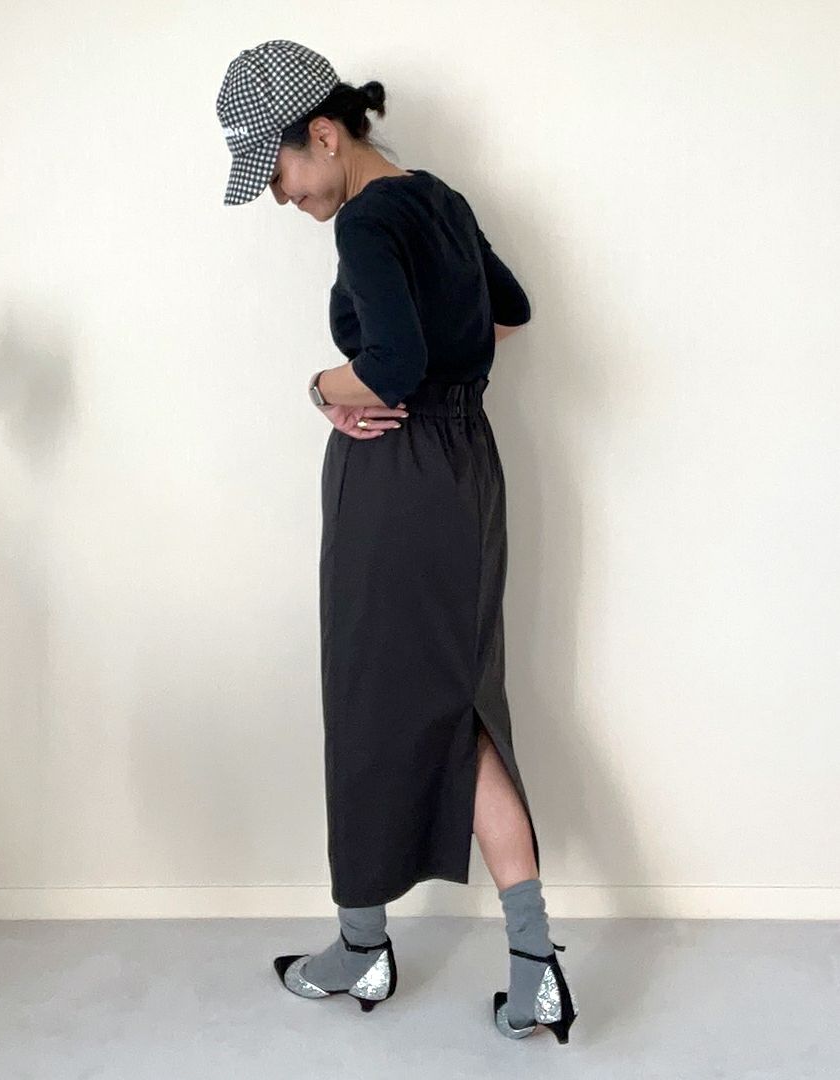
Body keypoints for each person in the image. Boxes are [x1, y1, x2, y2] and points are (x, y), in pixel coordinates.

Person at [215, 39, 578, 1041]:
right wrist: (434, 370)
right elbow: (510, 312)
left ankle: (362, 946)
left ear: (323, 135)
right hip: (468, 471)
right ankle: (533, 963)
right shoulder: (440, 200)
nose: (281, 196)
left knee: (372, 700)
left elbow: (391, 365)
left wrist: (322, 387)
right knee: (459, 706)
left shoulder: (370, 220)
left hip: (400, 482)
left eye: (278, 171)